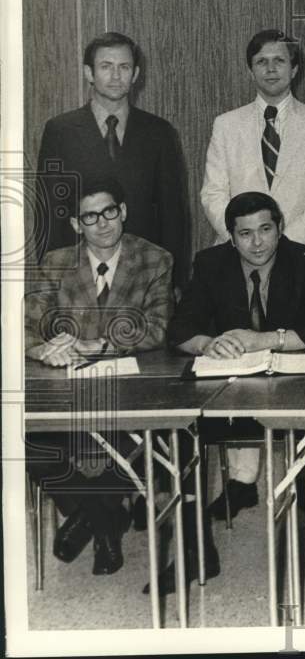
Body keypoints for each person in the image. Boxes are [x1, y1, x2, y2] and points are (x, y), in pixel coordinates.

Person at [168, 192, 305, 592]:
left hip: (299, 387)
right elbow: (179, 329)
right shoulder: (210, 264)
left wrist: (266, 339)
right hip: (233, 393)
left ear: (280, 228)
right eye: (245, 233)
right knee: (180, 433)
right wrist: (207, 343)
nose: (256, 242)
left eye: (265, 229)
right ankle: (196, 550)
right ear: (231, 238)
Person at [200, 28, 305, 517]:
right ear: (250, 69)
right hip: (242, 258)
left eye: (280, 61)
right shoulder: (227, 124)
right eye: (261, 61)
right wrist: (249, 242)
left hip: (302, 260)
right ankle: (242, 479)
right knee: (242, 360)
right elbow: (213, 194)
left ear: (295, 68)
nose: (271, 69)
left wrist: (282, 246)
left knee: (294, 360)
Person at [25, 176, 173, 576]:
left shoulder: (155, 259)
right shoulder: (55, 263)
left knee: (136, 443)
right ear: (76, 225)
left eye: (110, 212)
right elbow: (25, 328)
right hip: (68, 393)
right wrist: (44, 349)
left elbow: (160, 328)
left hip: (132, 391)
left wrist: (102, 345)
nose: (103, 223)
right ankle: (104, 518)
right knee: (32, 444)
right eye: (90, 217)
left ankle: (95, 519)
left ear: (122, 212)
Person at [34, 32, 188, 287]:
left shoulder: (159, 132)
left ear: (136, 74)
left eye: (124, 67)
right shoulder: (60, 131)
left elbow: (173, 215)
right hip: (79, 279)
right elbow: (49, 213)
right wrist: (52, 282)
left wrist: (175, 281)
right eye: (106, 66)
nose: (116, 76)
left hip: (144, 276)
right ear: (88, 73)